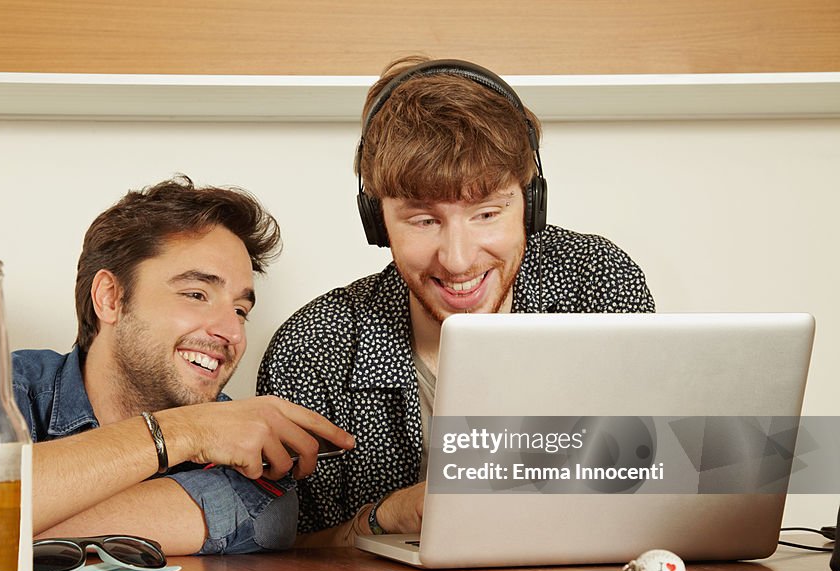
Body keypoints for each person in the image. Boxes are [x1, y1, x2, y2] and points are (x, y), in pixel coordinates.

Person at [257, 57, 655, 545]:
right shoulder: (313, 345)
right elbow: (280, 558)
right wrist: (382, 518)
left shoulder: (593, 282)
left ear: (530, 205)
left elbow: (652, 485)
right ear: (377, 223)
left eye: (487, 213)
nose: (459, 259)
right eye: (424, 221)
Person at [0, 176, 354, 570]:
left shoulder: (238, 433)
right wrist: (178, 434)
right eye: (196, 294)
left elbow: (270, 517)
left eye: (242, 311)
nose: (231, 331)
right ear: (110, 298)